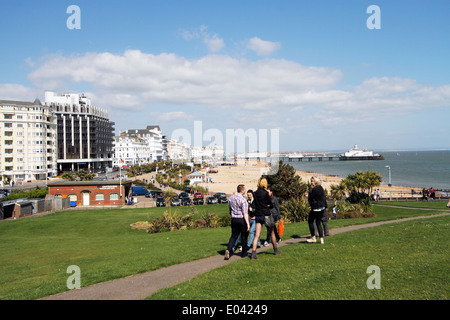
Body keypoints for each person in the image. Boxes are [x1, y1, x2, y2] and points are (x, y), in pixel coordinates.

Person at [251, 178, 281, 259]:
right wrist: (267, 205)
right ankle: (275, 250)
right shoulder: (265, 193)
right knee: (272, 233)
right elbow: (271, 204)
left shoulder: (255, 193)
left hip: (258, 215)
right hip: (266, 215)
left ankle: (253, 252)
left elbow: (255, 204)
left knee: (257, 235)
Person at [224, 184, 250, 260]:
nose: (245, 190)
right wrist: (248, 223)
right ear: (242, 190)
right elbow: (245, 213)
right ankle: (244, 253)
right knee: (244, 236)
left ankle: (228, 250)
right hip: (241, 219)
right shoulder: (243, 200)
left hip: (234, 219)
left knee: (233, 236)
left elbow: (230, 208)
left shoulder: (231, 198)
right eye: (244, 189)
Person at [307, 177, 327, 244]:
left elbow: (310, 198)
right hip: (321, 208)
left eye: (312, 181)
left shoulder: (313, 190)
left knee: (310, 221)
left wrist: (311, 204)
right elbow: (324, 198)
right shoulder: (320, 188)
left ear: (315, 182)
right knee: (318, 223)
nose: (311, 183)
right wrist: (325, 206)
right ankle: (321, 239)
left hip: (315, 208)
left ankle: (313, 237)